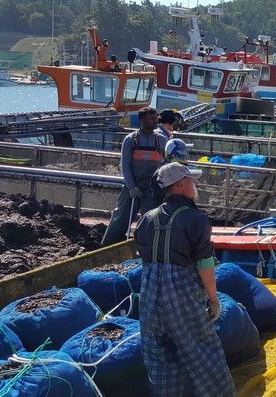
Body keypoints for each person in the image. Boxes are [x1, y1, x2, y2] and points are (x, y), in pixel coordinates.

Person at [134, 162, 235, 396]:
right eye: (191, 180)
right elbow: (205, 264)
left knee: (159, 360)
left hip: (149, 297)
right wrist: (213, 299)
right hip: (181, 297)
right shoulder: (195, 219)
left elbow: (146, 260)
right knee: (203, 352)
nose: (194, 184)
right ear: (180, 184)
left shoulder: (146, 220)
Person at [102, 107, 168, 245]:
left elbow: (166, 163)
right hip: (133, 185)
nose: (155, 121)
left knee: (150, 219)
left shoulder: (161, 140)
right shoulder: (130, 140)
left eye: (156, 118)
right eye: (151, 118)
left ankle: (147, 247)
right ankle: (107, 245)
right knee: (121, 217)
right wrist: (131, 187)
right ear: (142, 120)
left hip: (152, 187)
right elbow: (125, 164)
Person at [150, 138, 193, 207]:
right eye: (182, 151)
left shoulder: (181, 170)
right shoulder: (161, 173)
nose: (185, 154)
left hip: (179, 208)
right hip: (166, 210)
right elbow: (159, 199)